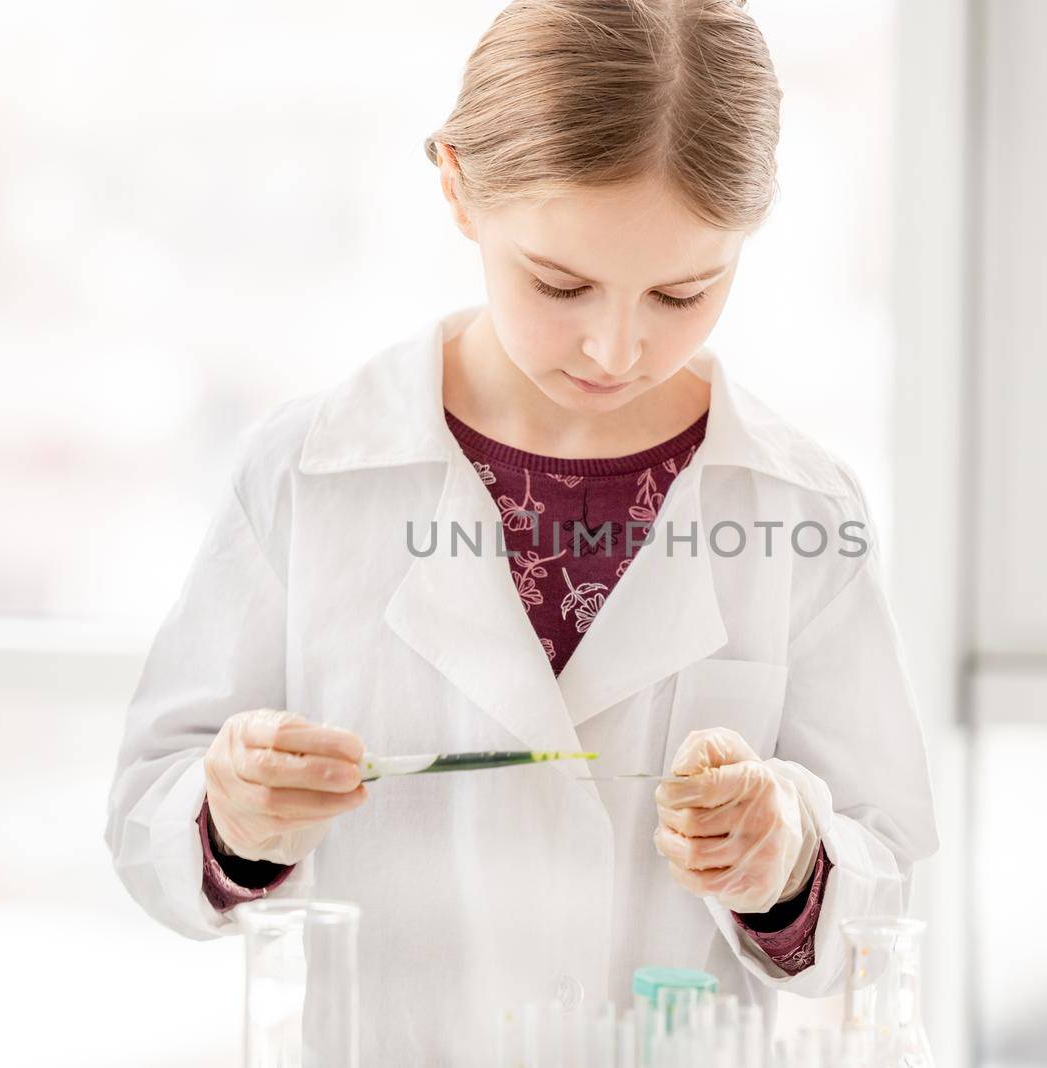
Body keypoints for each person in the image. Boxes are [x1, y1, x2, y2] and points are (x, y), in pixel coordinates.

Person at [105, 0, 938, 1061]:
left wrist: (784, 863)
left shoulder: (796, 509)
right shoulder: (309, 473)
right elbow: (148, 826)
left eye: (684, 291)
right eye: (561, 282)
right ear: (458, 186)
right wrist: (234, 819)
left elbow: (892, 884)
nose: (616, 345)